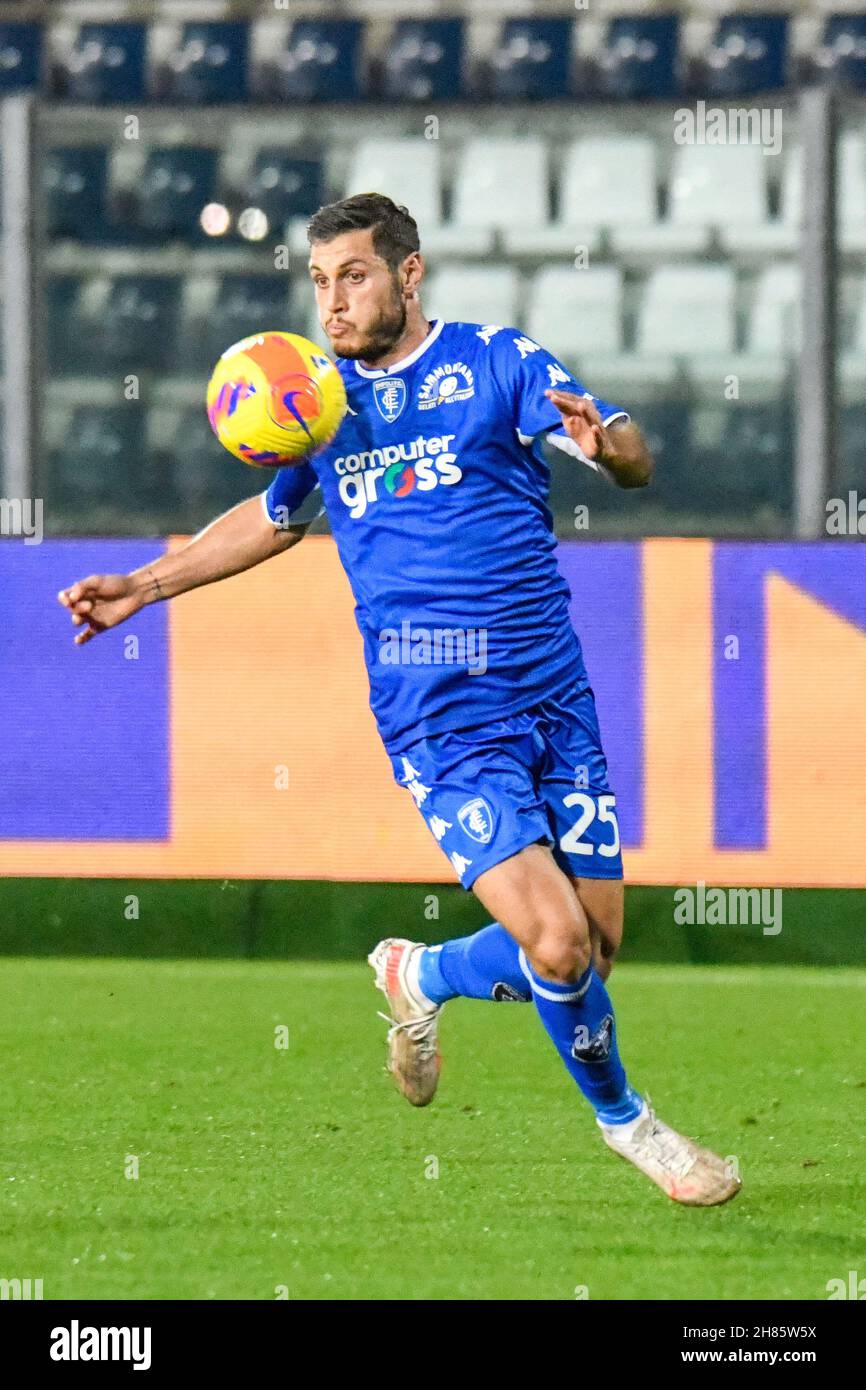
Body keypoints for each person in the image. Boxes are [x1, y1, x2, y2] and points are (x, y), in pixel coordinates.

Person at [59, 193, 740, 1207]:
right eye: (319, 281)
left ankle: (418, 977)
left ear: (408, 275)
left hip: (553, 695)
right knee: (553, 945)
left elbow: (631, 453)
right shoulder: (316, 404)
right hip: (439, 716)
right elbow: (275, 517)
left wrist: (609, 448)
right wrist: (147, 585)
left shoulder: (493, 361)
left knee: (592, 945)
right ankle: (628, 1123)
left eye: (355, 276)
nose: (332, 302)